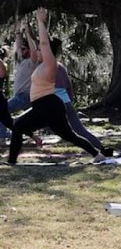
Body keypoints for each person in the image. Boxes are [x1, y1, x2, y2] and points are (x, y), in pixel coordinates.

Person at [8, 9, 106, 165]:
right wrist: (26, 30)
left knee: (20, 125)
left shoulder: (50, 64)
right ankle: (96, 153)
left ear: (48, 53)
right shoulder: (39, 65)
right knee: (69, 135)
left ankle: (12, 162)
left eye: (40, 50)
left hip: (48, 104)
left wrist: (41, 21)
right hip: (45, 106)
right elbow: (35, 48)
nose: (37, 51)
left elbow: (44, 43)